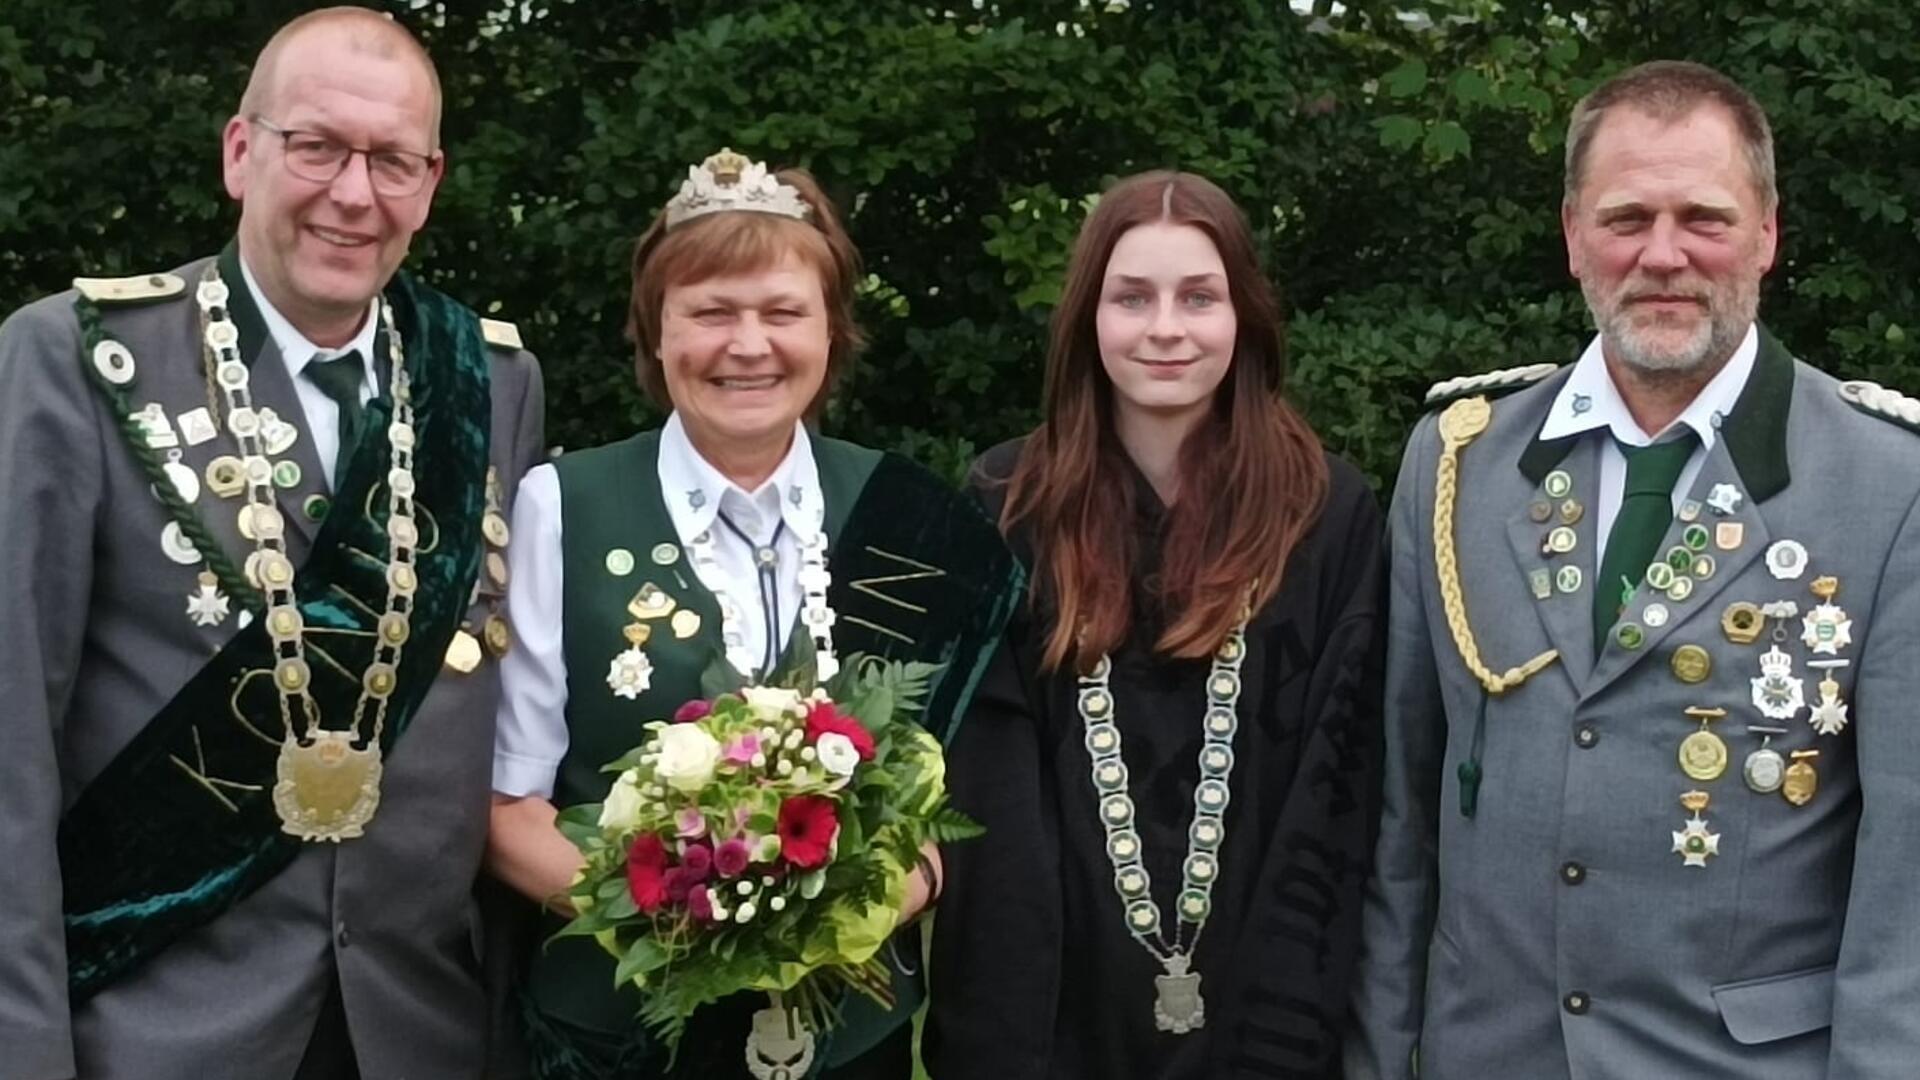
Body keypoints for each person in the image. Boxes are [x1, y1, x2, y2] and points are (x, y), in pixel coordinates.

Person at [1345, 59, 1920, 1080]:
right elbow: (1404, 817)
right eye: (1625, 220)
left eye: (1703, 217)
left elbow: (1906, 883)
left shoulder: (1887, 485)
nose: (1663, 255)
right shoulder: (1460, 463)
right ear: (1573, 237)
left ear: (1768, 234)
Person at [0, 8, 546, 1079]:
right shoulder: (76, 358)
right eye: (318, 146)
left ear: (430, 184)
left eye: (391, 160)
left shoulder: (490, 381)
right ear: (241, 152)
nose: (354, 193)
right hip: (151, 1033)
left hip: (416, 1030)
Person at [484, 148, 1021, 1079]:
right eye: (710, 313)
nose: (747, 344)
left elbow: (955, 801)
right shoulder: (558, 506)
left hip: (855, 1044)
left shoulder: (910, 513)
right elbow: (506, 805)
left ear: (830, 331)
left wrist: (875, 899)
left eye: (782, 312)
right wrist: (685, 917)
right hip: (618, 1042)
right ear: (656, 333)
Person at [925, 170, 1385, 1079]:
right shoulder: (1006, 506)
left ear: (1244, 315)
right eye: (1132, 297)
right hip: (1054, 1012)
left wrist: (1284, 1032)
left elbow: (1339, 789)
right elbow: (986, 795)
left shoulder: (1326, 515)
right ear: (1088, 319)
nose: (1165, 328)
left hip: (1267, 1004)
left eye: (1198, 297)